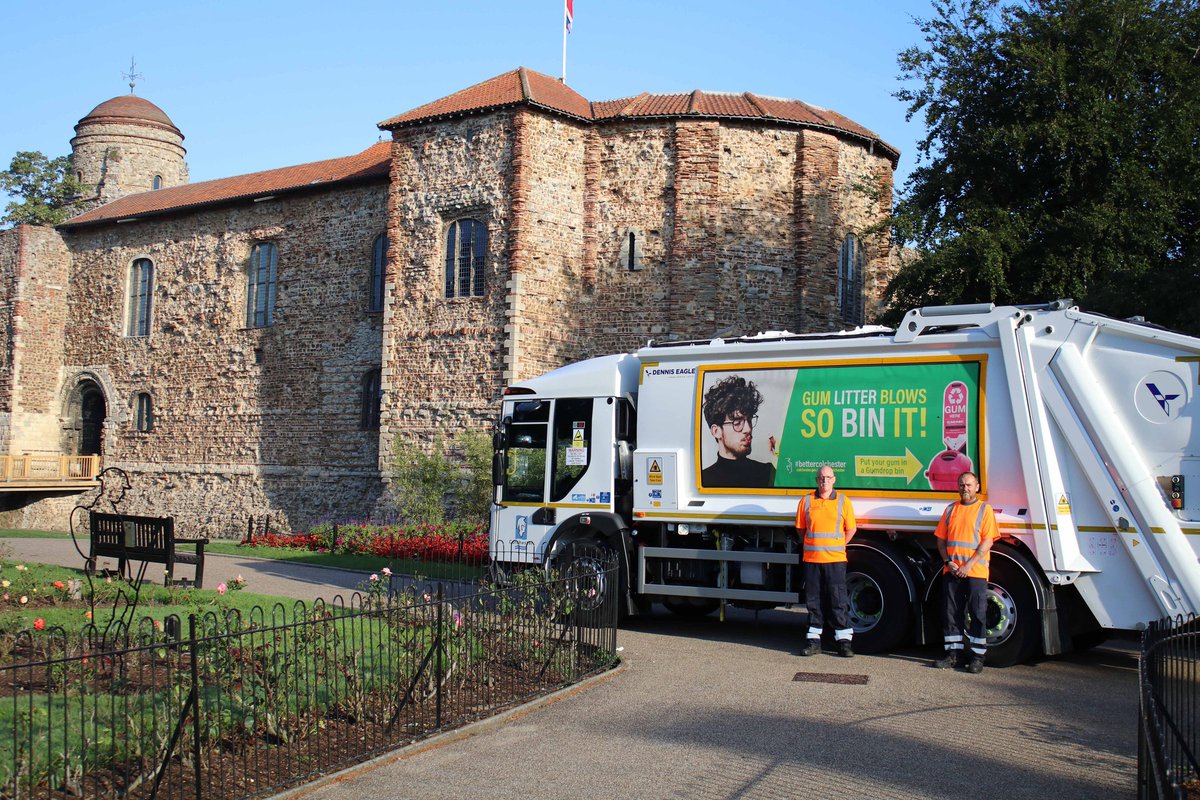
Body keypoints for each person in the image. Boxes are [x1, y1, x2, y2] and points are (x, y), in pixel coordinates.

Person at [933, 470, 999, 674]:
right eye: (962, 484)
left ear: (977, 487)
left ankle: (978, 658)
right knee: (951, 613)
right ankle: (954, 654)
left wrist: (968, 565)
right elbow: (941, 541)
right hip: (952, 570)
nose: (965, 488)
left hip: (975, 571)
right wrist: (948, 562)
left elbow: (987, 541)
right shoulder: (951, 509)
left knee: (977, 613)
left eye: (969, 485)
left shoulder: (984, 510)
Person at [796, 465, 857, 657]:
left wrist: (838, 546)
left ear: (834, 480)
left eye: (828, 477)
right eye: (821, 477)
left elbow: (851, 529)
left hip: (835, 560)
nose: (824, 481)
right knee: (813, 600)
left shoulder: (843, 501)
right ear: (816, 480)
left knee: (838, 599)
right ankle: (814, 642)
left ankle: (844, 643)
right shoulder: (806, 501)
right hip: (812, 559)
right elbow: (800, 529)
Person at [700, 375, 776, 488]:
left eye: (749, 420)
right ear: (716, 431)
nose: (748, 429)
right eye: (737, 422)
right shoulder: (705, 480)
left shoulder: (767, 473)